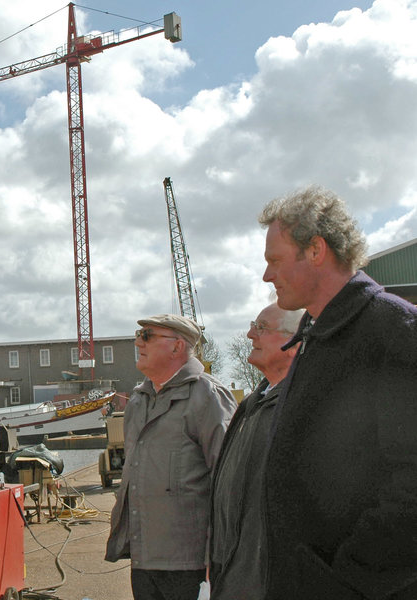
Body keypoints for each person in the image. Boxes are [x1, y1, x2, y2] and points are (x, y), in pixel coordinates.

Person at [258, 186, 417, 599]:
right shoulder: (317, 337)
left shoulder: (393, 332)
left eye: (274, 260)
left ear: (315, 250)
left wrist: (345, 577)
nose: (266, 276)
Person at [105, 314, 236, 600]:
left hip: (190, 564)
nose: (138, 342)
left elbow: (229, 484)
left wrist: (218, 559)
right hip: (144, 558)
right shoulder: (139, 400)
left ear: (177, 347)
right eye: (138, 334)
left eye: (148, 335)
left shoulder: (208, 396)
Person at [208, 302, 303, 599]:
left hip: (269, 581)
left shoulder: (301, 406)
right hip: (232, 573)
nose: (250, 334)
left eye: (261, 328)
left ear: (294, 342)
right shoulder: (251, 404)